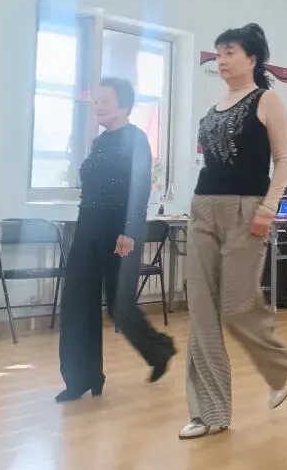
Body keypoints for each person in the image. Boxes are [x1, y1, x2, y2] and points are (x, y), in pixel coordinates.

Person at [179, 23, 287, 440]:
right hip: (204, 207)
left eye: (230, 52)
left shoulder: (267, 100)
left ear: (252, 58)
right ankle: (208, 413)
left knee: (236, 306)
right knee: (201, 309)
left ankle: (278, 367)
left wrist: (269, 207)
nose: (222, 60)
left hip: (246, 210)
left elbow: (283, 160)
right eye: (218, 53)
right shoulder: (215, 106)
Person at [57, 77, 176, 402]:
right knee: (77, 301)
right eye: (95, 101)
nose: (97, 106)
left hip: (120, 229)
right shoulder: (99, 142)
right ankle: (82, 378)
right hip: (88, 225)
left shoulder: (136, 139)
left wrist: (129, 231)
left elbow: (140, 188)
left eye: (105, 101)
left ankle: (159, 350)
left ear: (124, 106)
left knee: (120, 306)